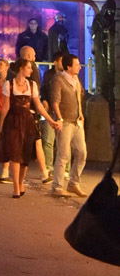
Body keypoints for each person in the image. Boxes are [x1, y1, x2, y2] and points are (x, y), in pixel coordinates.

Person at [0, 56, 60, 199]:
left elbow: (38, 105)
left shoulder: (32, 85)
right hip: (13, 120)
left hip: (28, 121)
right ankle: (15, 187)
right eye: (28, 67)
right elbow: (6, 106)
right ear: (21, 68)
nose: (31, 70)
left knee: (25, 155)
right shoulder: (10, 85)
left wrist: (50, 120)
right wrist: (1, 125)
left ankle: (20, 183)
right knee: (14, 153)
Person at [49, 53, 88, 199]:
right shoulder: (58, 79)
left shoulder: (76, 79)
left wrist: (81, 112)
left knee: (82, 152)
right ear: (68, 66)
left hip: (76, 121)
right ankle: (57, 186)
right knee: (63, 154)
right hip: (65, 121)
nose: (79, 67)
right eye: (76, 65)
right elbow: (55, 101)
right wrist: (59, 118)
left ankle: (73, 182)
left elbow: (79, 95)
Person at [40, 49, 66, 172]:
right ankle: (48, 167)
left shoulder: (66, 75)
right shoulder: (48, 75)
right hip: (50, 110)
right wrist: (44, 100)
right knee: (48, 140)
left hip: (63, 111)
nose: (63, 64)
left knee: (64, 142)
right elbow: (44, 89)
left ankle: (65, 168)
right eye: (61, 61)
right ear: (55, 62)